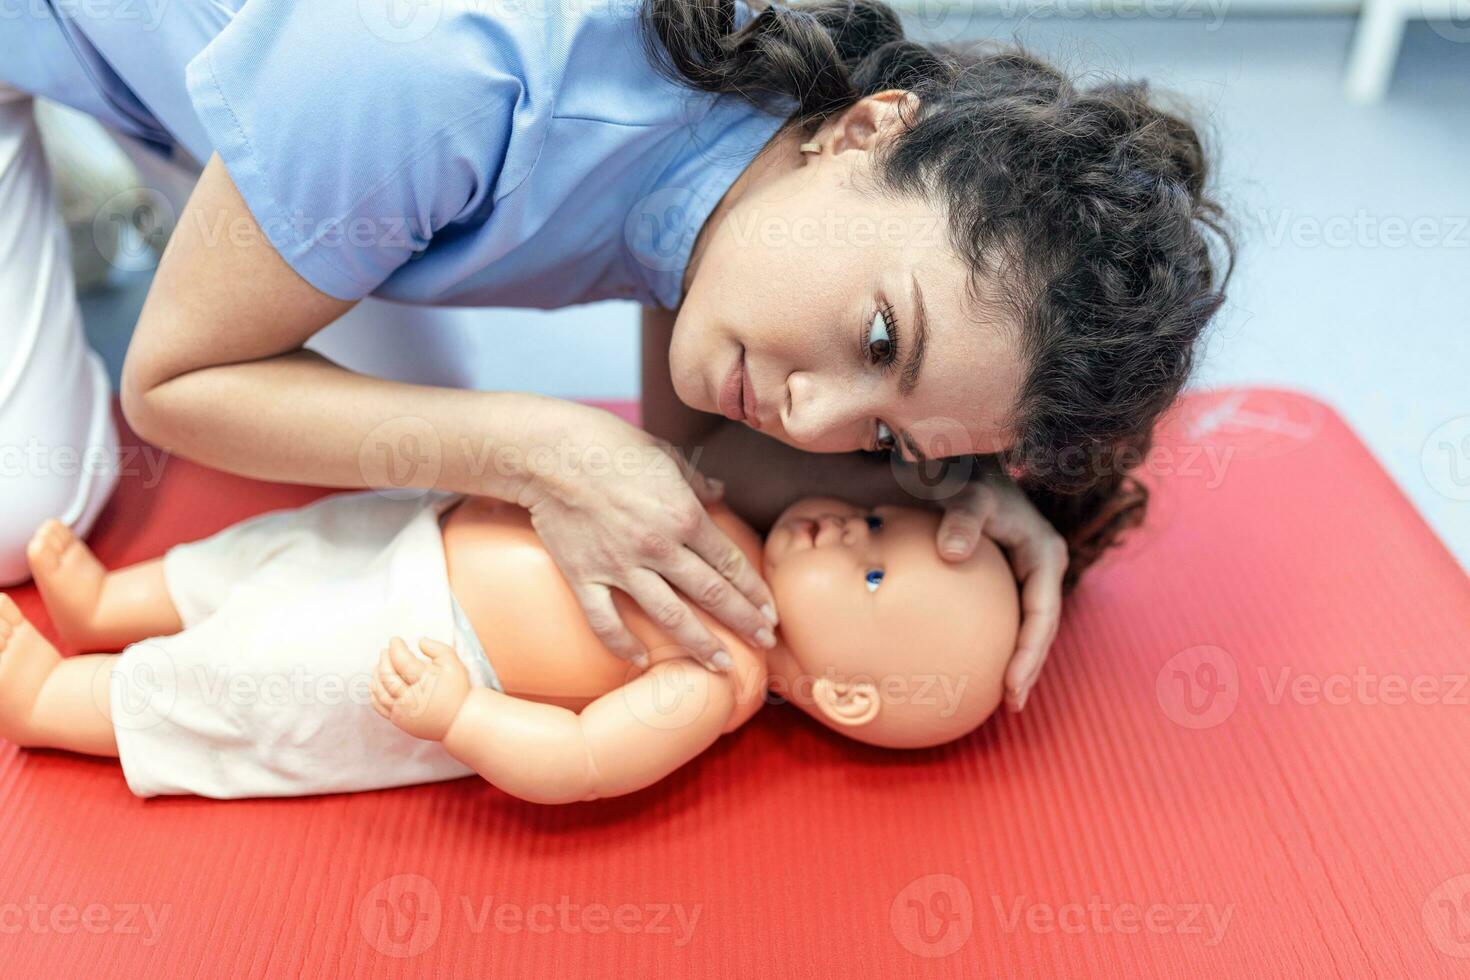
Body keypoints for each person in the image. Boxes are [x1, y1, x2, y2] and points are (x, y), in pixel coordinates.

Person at [0, 0, 1232, 712]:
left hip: (304, 102)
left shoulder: (766, 163)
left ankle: (177, 150)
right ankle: (102, 144)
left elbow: (694, 452)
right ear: (869, 129)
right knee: (25, 505)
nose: (807, 418)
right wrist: (543, 444)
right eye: (876, 338)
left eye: (886, 433)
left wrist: (963, 502)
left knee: (396, 444)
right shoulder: (440, 68)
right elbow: (169, 387)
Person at [0, 490, 1018, 801]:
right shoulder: (745, 527)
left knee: (254, 679)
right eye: (882, 517)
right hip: (415, 526)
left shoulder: (720, 678)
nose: (853, 531)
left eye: (874, 570)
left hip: (421, 639)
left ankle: (61, 699)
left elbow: (578, 762)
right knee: (257, 551)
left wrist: (460, 713)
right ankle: (113, 604)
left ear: (843, 695)